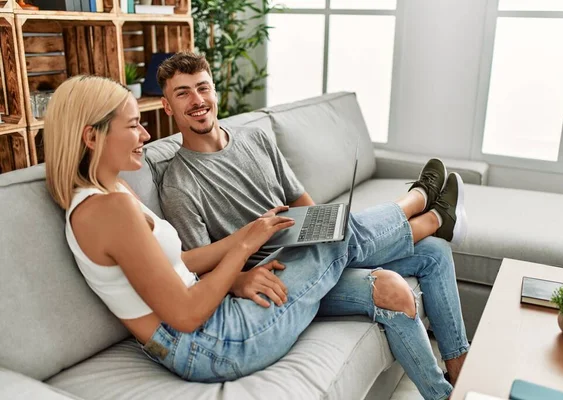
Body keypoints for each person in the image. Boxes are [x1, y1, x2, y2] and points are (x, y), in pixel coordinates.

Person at [42, 77, 462, 400]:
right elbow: (186, 315)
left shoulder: (111, 190)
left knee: (408, 249)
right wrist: (242, 251)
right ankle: (421, 210)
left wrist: (248, 233)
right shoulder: (105, 210)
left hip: (212, 321)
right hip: (210, 342)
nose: (146, 136)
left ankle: (424, 226)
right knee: (329, 233)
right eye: (134, 126)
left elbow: (178, 264)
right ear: (92, 136)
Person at [157, 52, 469, 398]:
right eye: (183, 93)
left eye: (202, 88)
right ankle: (422, 206)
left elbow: (301, 201)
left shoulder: (254, 139)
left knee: (434, 251)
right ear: (167, 106)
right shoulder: (178, 183)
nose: (197, 100)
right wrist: (240, 280)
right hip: (278, 276)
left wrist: (327, 226)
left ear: (215, 92)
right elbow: (197, 268)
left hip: (311, 244)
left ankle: (461, 372)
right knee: (383, 279)